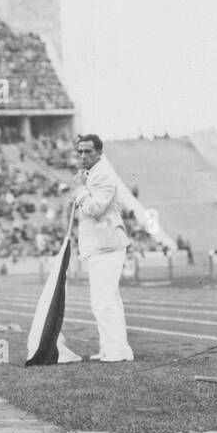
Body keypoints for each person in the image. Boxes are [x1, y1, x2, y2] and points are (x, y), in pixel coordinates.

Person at [68, 134, 144, 361]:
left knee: (103, 301)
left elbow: (96, 208)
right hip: (101, 245)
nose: (83, 156)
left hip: (107, 245)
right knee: (107, 300)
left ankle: (115, 351)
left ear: (100, 153)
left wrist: (79, 190)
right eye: (80, 151)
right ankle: (114, 349)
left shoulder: (103, 175)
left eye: (88, 151)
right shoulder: (92, 174)